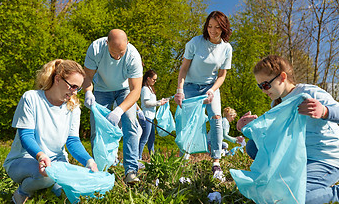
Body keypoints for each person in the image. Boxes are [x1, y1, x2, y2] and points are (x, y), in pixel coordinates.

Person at [236, 55, 339, 204]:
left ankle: (335, 193)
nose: (264, 90)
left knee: (294, 199)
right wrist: (249, 128)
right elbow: (273, 138)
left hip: (325, 159)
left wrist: (324, 111)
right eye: (260, 87)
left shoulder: (310, 92)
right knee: (253, 146)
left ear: (282, 77)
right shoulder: (276, 105)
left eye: (265, 85)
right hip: (300, 158)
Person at [3, 59, 98, 204]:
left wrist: (88, 161)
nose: (74, 92)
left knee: (70, 192)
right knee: (48, 175)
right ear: (58, 79)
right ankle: (22, 194)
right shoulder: (31, 98)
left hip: (57, 162)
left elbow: (72, 141)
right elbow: (26, 135)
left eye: (77, 88)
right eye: (72, 86)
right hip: (25, 160)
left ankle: (44, 189)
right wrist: (41, 156)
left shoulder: (73, 107)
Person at [174, 11, 233, 178]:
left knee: (216, 118)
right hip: (191, 87)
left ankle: (216, 160)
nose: (212, 31)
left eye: (217, 27)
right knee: (189, 123)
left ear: (223, 28)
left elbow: (222, 76)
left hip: (210, 87)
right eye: (209, 26)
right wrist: (180, 90)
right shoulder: (195, 43)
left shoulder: (226, 48)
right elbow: (183, 69)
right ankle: (184, 158)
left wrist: (212, 90)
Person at [82, 29, 143, 184]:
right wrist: (88, 92)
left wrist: (119, 110)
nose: (117, 56)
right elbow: (87, 75)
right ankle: (99, 170)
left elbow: (136, 90)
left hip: (125, 90)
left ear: (127, 44)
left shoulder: (133, 56)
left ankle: (130, 171)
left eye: (121, 52)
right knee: (97, 127)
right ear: (106, 43)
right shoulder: (96, 48)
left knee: (131, 123)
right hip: (101, 89)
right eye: (113, 52)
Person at [138, 69, 168, 163]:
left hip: (151, 116)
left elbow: (152, 102)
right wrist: (158, 103)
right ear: (148, 78)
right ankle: (138, 158)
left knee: (151, 139)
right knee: (144, 138)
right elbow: (146, 103)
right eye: (154, 79)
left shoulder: (150, 89)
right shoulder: (145, 89)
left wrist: (161, 101)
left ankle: (154, 159)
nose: (155, 81)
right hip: (146, 117)